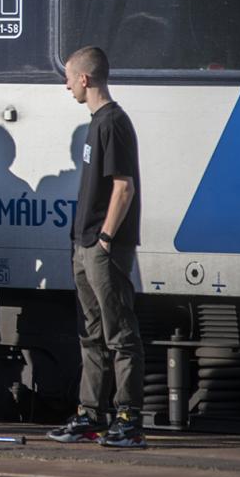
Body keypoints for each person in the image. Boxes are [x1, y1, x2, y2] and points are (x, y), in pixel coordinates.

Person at [47, 46, 145, 449]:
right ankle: (90, 415)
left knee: (120, 333)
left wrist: (105, 238)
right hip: (85, 244)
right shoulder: (96, 123)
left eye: (69, 77)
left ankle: (128, 419)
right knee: (91, 334)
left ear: (85, 79)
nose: (66, 84)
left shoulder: (113, 123)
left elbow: (124, 186)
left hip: (103, 248)